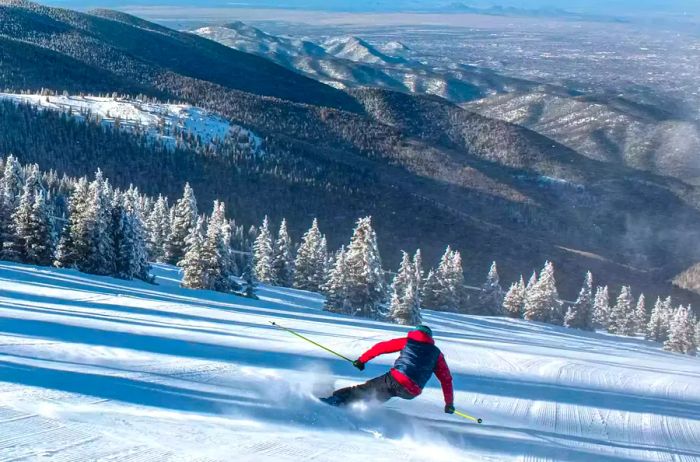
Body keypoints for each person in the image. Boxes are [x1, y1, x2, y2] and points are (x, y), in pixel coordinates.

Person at [321, 325, 455, 414]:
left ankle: (335, 401)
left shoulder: (408, 341)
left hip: (396, 379)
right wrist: (449, 403)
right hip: (412, 391)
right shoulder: (437, 354)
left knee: (364, 390)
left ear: (415, 332)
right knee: (375, 396)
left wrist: (361, 361)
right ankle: (355, 410)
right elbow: (446, 379)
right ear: (430, 338)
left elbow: (381, 347)